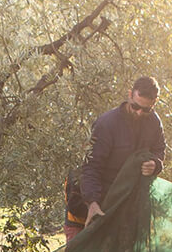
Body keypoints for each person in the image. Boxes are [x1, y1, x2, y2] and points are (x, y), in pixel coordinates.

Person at [64, 77, 166, 242]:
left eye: (146, 109)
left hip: (119, 205)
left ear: (155, 102)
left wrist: (155, 164)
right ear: (129, 95)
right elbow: (90, 167)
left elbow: (159, 150)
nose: (140, 112)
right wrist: (92, 203)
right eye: (135, 106)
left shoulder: (154, 122)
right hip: (85, 202)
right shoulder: (106, 124)